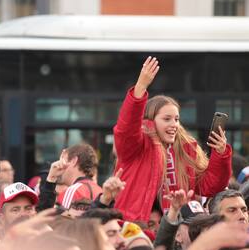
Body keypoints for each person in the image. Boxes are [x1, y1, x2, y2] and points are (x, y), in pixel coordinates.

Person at [114, 56, 232, 221]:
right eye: (167, 119)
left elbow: (210, 186)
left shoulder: (186, 148)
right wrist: (140, 87)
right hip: (136, 227)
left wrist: (220, 154)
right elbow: (126, 127)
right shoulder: (136, 145)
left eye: (176, 119)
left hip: (178, 229)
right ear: (150, 120)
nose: (174, 124)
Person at [39, 144, 102, 210]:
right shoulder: (100, 190)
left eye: (63, 160)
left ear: (74, 161)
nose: (60, 164)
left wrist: (51, 178)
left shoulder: (72, 191)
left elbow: (47, 218)